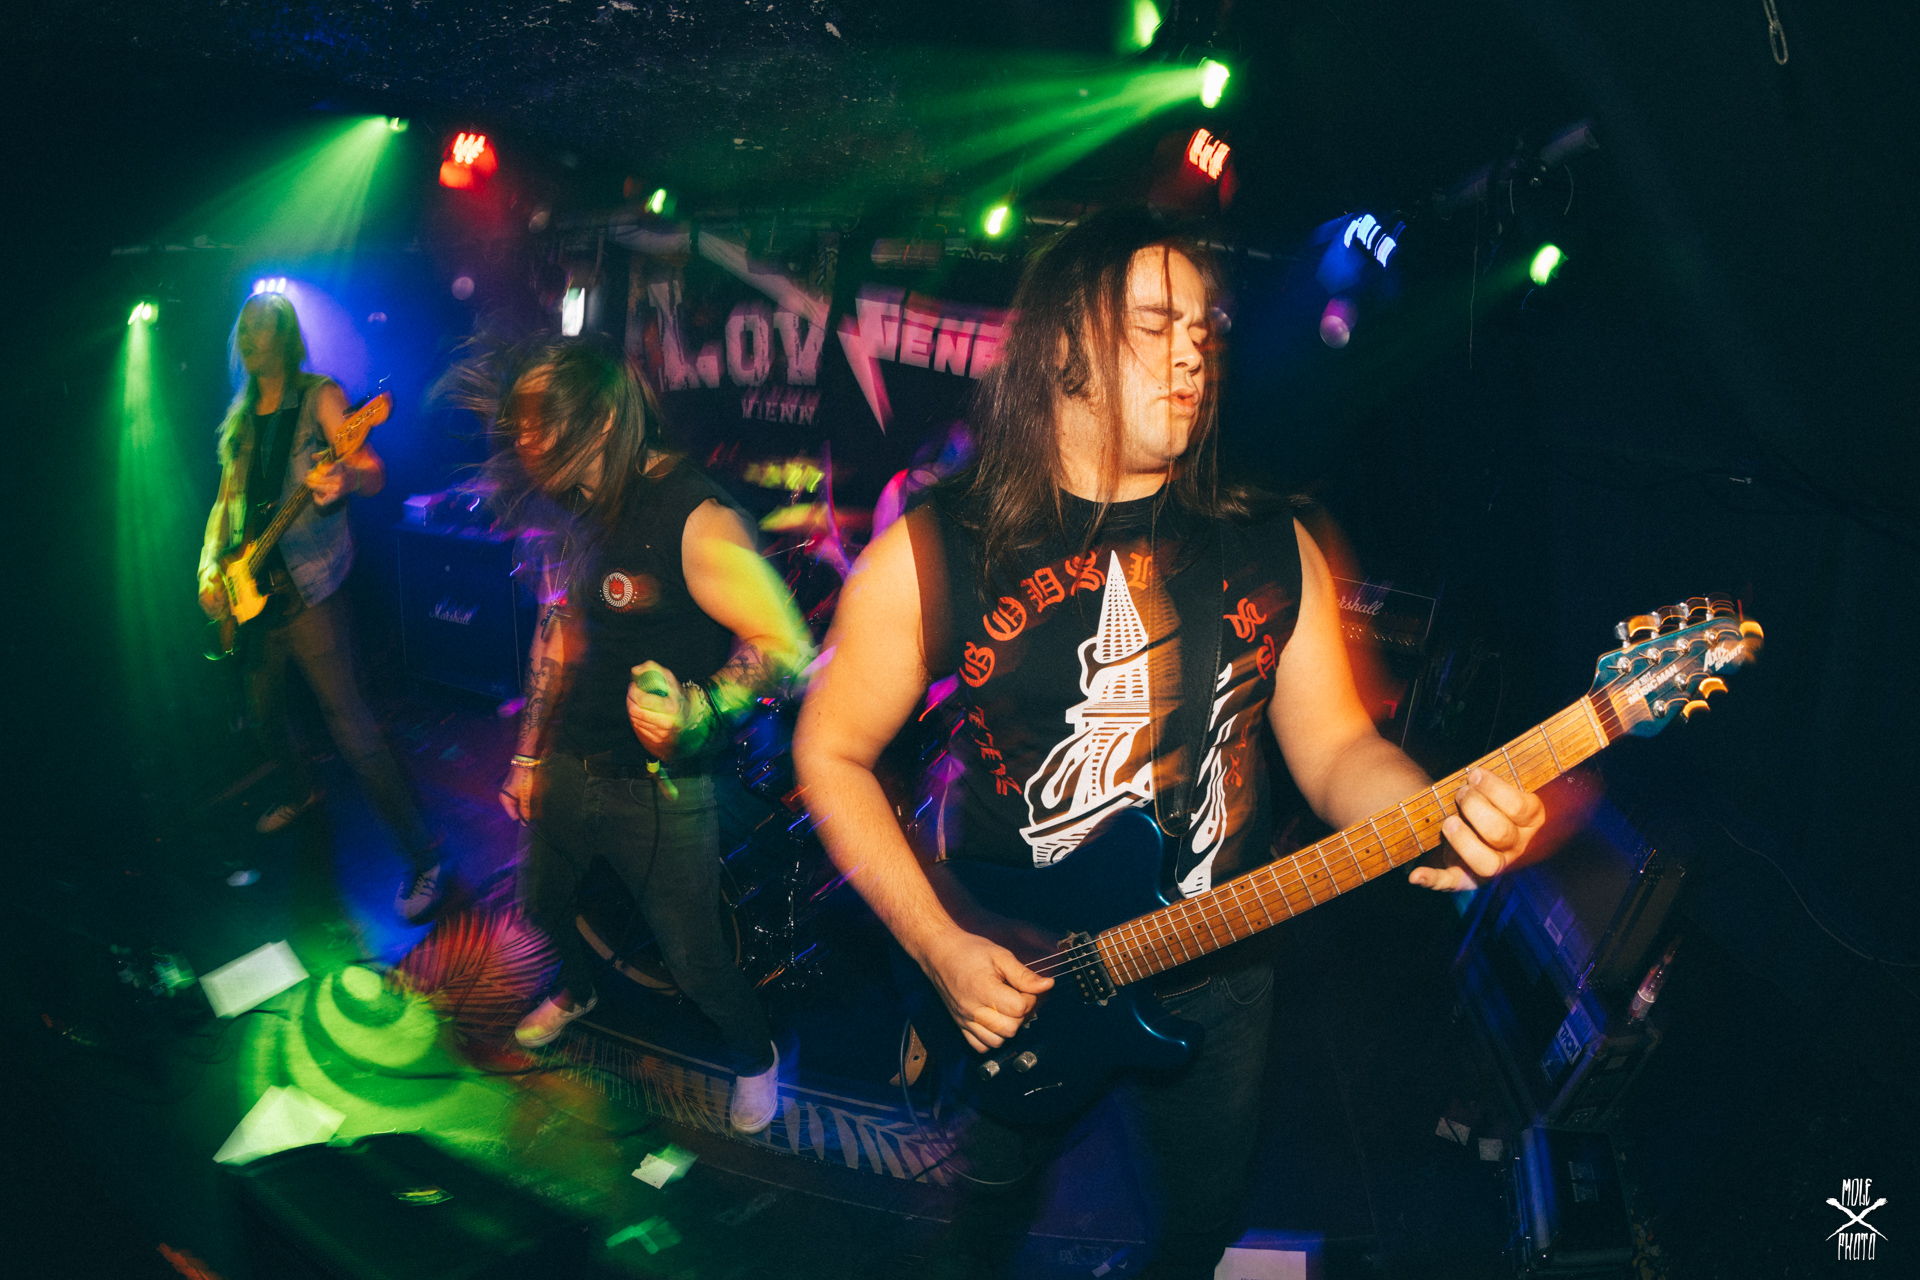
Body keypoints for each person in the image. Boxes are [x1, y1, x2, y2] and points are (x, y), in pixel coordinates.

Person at [791, 208, 1546, 1278]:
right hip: (1015, 962)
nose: (1192, 350)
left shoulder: (1272, 542)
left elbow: (1336, 751)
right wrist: (938, 946)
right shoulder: (936, 549)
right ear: (1064, 344)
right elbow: (829, 751)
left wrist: (1436, 810)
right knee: (979, 1224)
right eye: (1154, 323)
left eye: (1201, 327)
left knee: (1196, 1225)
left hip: (1220, 972)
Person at [482, 336, 813, 1135]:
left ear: (600, 421)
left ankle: (755, 1058)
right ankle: (579, 991)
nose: (529, 444)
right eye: (523, 426)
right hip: (570, 763)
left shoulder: (692, 517)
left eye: (546, 426)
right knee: (539, 906)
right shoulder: (576, 506)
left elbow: (784, 643)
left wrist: (703, 706)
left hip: (661, 792)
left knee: (695, 958)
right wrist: (527, 754)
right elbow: (557, 632)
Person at [197, 292, 443, 921]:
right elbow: (224, 506)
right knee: (263, 718)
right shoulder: (240, 419)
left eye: (261, 326)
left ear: (285, 336)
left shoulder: (321, 398)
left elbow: (372, 470)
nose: (248, 336)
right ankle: (303, 791)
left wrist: (346, 478)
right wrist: (208, 570)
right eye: (242, 326)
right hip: (252, 595)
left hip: (310, 592)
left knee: (352, 730)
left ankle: (423, 858)